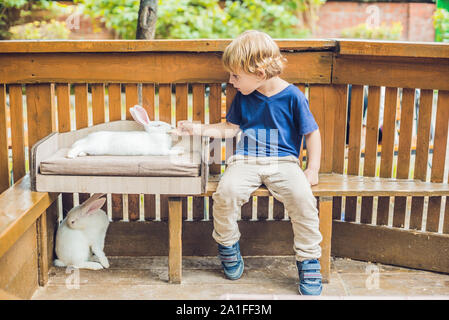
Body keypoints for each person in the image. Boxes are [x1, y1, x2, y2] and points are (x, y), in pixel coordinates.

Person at [176, 30, 323, 295]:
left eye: (235, 75)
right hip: (245, 159)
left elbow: (312, 132)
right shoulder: (244, 95)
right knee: (226, 193)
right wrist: (197, 129)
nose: (231, 81)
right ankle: (228, 244)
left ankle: (309, 258)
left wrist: (312, 168)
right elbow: (230, 129)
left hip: (284, 162)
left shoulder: (292, 96)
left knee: (303, 198)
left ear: (259, 72)